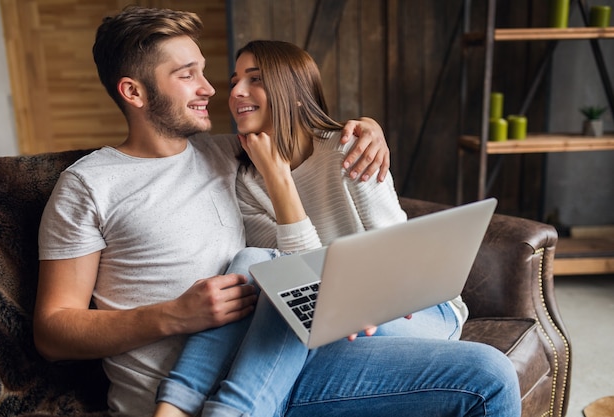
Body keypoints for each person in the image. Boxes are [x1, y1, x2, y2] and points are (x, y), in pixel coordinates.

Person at [33, 6, 393, 417]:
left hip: (280, 379)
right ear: (134, 92)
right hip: (162, 402)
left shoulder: (231, 152)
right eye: (187, 75)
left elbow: (304, 132)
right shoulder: (89, 185)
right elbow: (53, 332)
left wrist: (367, 130)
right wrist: (172, 316)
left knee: (480, 369)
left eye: (204, 72)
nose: (209, 88)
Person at [152, 40, 521, 417]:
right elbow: (299, 284)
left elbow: (402, 265)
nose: (237, 93)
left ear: (294, 93)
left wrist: (281, 181)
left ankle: (228, 409)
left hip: (409, 309)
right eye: (234, 82)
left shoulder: (352, 150)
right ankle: (193, 408)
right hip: (327, 321)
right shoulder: (245, 180)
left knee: (270, 272)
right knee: (254, 264)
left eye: (256, 79)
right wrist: (271, 177)